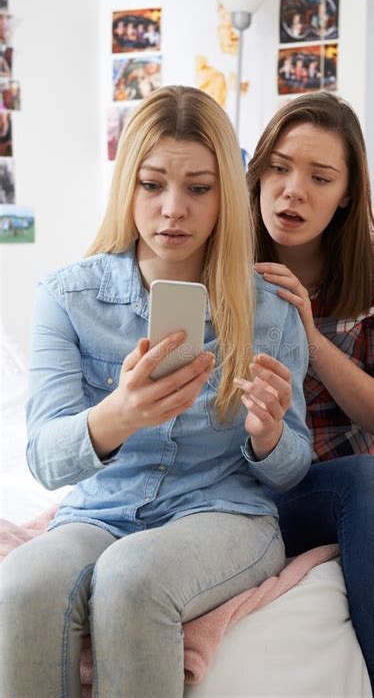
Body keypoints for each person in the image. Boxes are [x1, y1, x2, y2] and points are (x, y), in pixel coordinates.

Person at [0, 86, 312, 697]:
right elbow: (43, 457)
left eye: (198, 188)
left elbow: (292, 471)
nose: (174, 209)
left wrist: (270, 435)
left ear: (226, 193)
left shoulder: (270, 310)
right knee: (24, 581)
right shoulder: (66, 297)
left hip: (225, 512)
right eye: (152, 185)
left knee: (132, 577)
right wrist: (117, 415)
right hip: (99, 511)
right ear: (128, 187)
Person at [247, 91, 374, 698]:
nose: (292, 190)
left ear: (347, 193)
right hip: (264, 480)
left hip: (360, 461)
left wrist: (311, 342)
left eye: (319, 177)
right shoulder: (224, 254)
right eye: (278, 166)